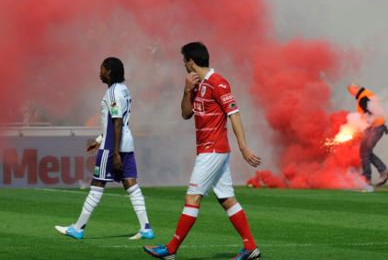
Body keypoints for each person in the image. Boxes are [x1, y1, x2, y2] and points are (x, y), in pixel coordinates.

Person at [144, 42, 262, 260]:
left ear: (191, 61)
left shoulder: (218, 83)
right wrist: (187, 90)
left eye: (183, 61)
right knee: (226, 199)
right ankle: (251, 247)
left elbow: (234, 114)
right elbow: (186, 114)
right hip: (208, 150)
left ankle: (171, 249)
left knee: (192, 197)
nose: (183, 65)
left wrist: (243, 146)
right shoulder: (197, 84)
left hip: (213, 150)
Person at [55, 57, 155, 240]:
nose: (99, 72)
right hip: (126, 143)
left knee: (97, 185)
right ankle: (146, 228)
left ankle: (78, 228)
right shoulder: (124, 90)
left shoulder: (112, 93)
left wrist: (114, 152)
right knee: (131, 185)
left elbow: (116, 123)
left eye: (101, 69)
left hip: (112, 148)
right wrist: (99, 138)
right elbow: (118, 122)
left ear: (108, 71)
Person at [347, 83, 388, 191]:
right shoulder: (367, 94)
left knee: (364, 153)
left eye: (350, 90)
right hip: (377, 127)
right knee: (366, 152)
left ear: (355, 88)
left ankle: (366, 179)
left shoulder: (363, 97)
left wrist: (361, 127)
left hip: (376, 128)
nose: (351, 93)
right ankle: (383, 172)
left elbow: (370, 114)